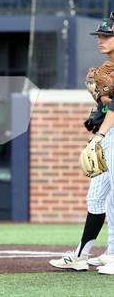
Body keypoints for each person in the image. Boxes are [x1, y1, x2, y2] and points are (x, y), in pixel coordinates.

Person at [49, 14, 114, 275]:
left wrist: (100, 134)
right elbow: (109, 104)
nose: (101, 40)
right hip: (108, 133)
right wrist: (99, 105)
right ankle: (83, 254)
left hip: (110, 133)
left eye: (107, 36)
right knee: (97, 197)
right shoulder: (106, 69)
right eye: (99, 36)